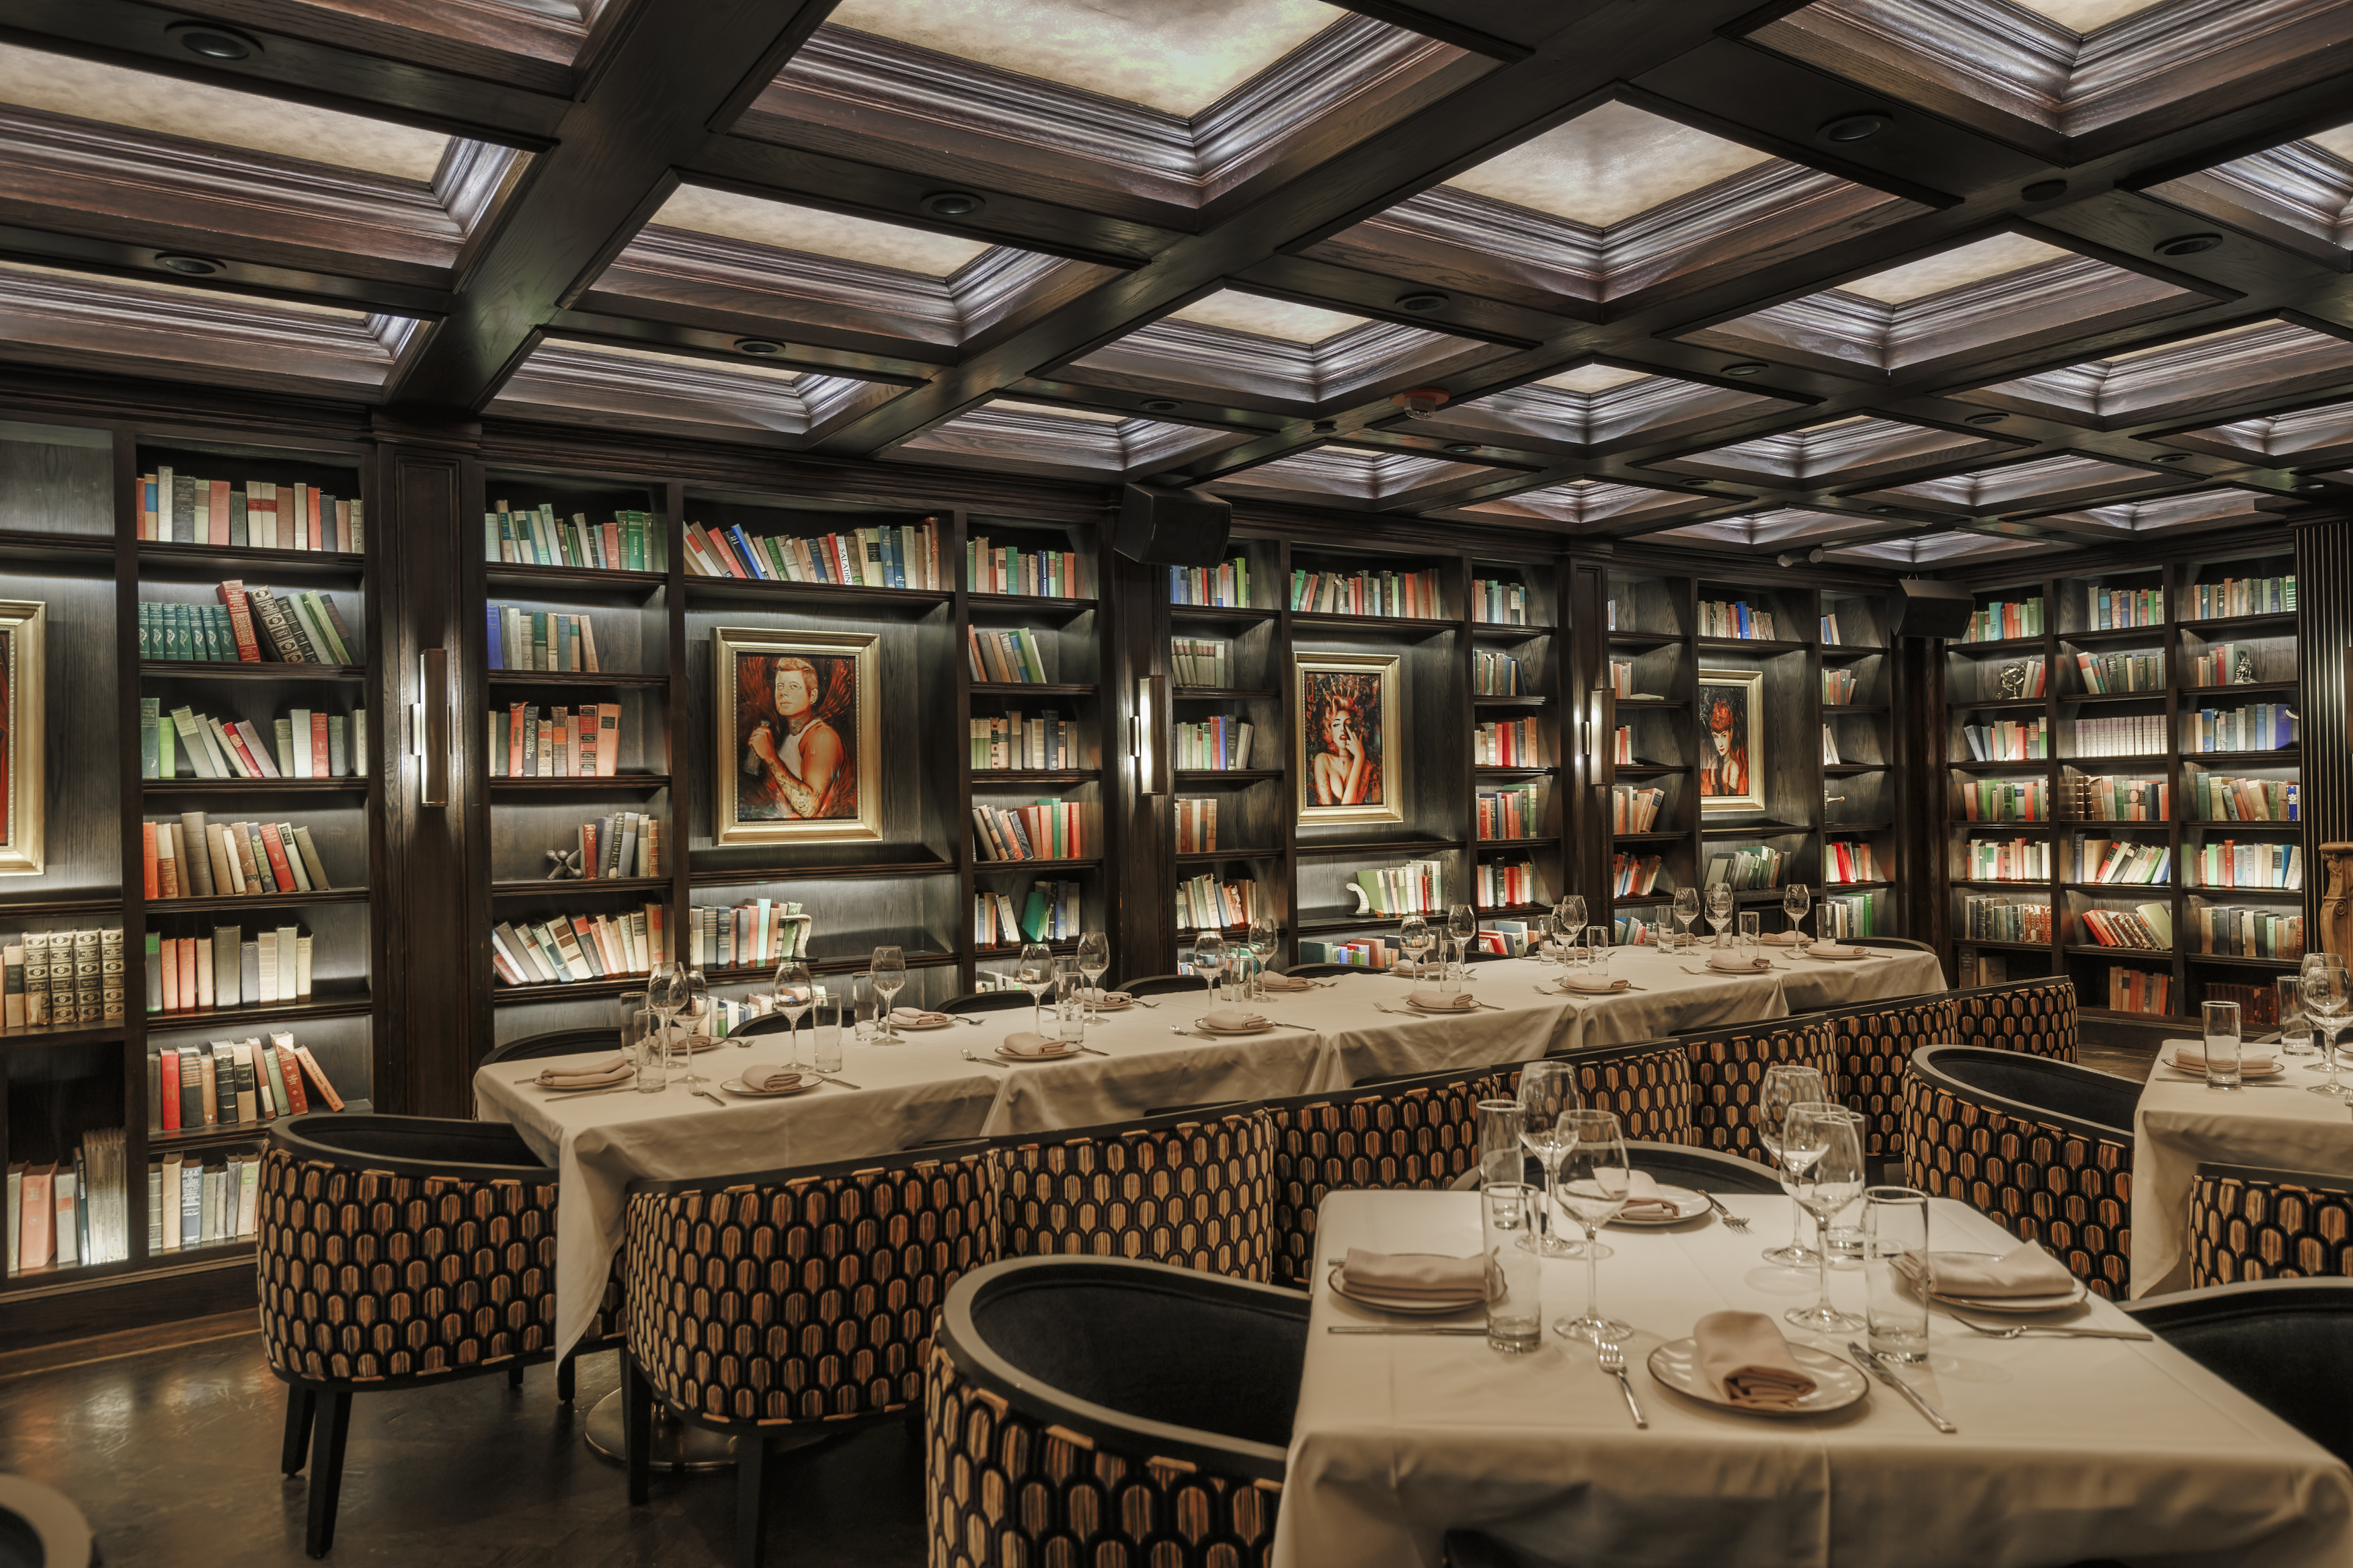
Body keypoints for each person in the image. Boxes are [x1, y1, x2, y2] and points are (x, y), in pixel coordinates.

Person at [742, 656, 844, 819]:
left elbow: (809, 808)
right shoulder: (792, 735)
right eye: (780, 686)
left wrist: (770, 756)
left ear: (812, 696)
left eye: (794, 686)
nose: (783, 693)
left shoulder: (823, 737)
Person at [1310, 686, 1380, 807]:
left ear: (1355, 728)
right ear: (1329, 730)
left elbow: (1352, 808)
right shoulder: (1322, 760)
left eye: (1348, 724)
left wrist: (1359, 758)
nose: (1343, 729)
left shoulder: (1365, 764)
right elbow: (1330, 812)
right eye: (1337, 725)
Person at [1700, 696, 1747, 799]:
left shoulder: (1733, 767)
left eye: (1724, 736)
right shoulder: (1715, 764)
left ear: (1731, 734)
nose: (1720, 744)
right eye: (1716, 737)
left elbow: (1731, 802)